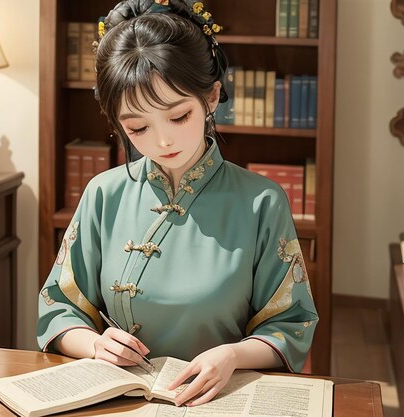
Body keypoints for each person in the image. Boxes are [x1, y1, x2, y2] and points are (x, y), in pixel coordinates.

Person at [37, 0, 318, 407]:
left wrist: (232, 355)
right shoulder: (103, 193)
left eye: (178, 116)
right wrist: (95, 345)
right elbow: (58, 309)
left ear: (212, 97)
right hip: (116, 399)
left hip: (219, 400)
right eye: (137, 126)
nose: (162, 141)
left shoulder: (260, 201)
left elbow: (292, 323)